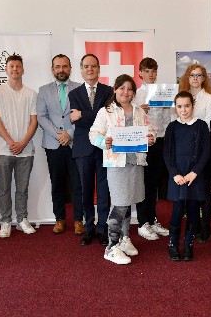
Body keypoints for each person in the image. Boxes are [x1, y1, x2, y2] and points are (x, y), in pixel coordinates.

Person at [89, 74, 156, 264]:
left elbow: (151, 131)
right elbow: (93, 134)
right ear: (115, 90)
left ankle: (125, 238)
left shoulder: (139, 112)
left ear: (133, 93)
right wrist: (105, 141)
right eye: (122, 88)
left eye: (129, 89)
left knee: (128, 201)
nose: (125, 92)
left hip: (136, 163)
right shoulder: (106, 112)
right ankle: (111, 247)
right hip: (117, 164)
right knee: (119, 203)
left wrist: (151, 138)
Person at [0, 54, 38, 237]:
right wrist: (10, 142)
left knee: (22, 189)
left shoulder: (31, 93)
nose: (15, 69)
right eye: (11, 66)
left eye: (18, 66)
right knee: (4, 188)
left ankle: (22, 219)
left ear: (23, 70)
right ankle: (5, 221)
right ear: (6, 70)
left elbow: (34, 121)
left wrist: (23, 142)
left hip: (26, 151)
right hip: (3, 149)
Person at [37, 54, 84, 235]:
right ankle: (60, 219)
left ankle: (79, 220)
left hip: (75, 144)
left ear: (70, 69)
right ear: (52, 69)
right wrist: (59, 135)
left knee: (77, 184)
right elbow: (41, 116)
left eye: (65, 66)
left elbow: (82, 114)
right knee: (57, 184)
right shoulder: (43, 90)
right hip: (53, 144)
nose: (61, 70)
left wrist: (69, 135)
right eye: (58, 67)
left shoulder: (79, 89)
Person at [69, 53, 113, 246]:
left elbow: (107, 117)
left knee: (104, 190)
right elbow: (74, 119)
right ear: (81, 70)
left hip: (104, 146)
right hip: (83, 147)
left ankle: (103, 228)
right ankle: (89, 228)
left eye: (93, 66)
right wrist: (94, 115)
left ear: (98, 69)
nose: (90, 69)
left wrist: (83, 115)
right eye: (86, 66)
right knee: (85, 190)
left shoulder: (108, 91)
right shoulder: (74, 94)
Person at [163, 91, 211, 261]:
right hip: (177, 176)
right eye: (180, 106)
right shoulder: (172, 127)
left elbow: (206, 152)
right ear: (175, 108)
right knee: (176, 211)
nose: (183, 110)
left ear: (193, 106)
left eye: (187, 106)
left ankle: (188, 244)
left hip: (194, 177)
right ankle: (173, 244)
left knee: (192, 212)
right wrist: (175, 174)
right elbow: (167, 154)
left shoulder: (201, 126)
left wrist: (194, 172)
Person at [133, 57, 170, 241]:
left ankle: (152, 219)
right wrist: (138, 110)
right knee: (143, 184)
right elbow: (128, 118)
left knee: (154, 184)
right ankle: (142, 223)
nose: (151, 74)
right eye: (147, 71)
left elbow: (166, 120)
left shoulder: (162, 92)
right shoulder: (135, 94)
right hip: (142, 143)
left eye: (153, 71)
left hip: (160, 142)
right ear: (140, 73)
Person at [178, 63, 211, 243]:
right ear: (187, 77)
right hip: (184, 151)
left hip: (202, 149)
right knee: (188, 190)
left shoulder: (209, 99)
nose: (195, 78)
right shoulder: (181, 98)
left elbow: (208, 125)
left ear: (203, 78)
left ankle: (206, 228)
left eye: (199, 75)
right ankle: (194, 226)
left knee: (203, 192)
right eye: (192, 75)